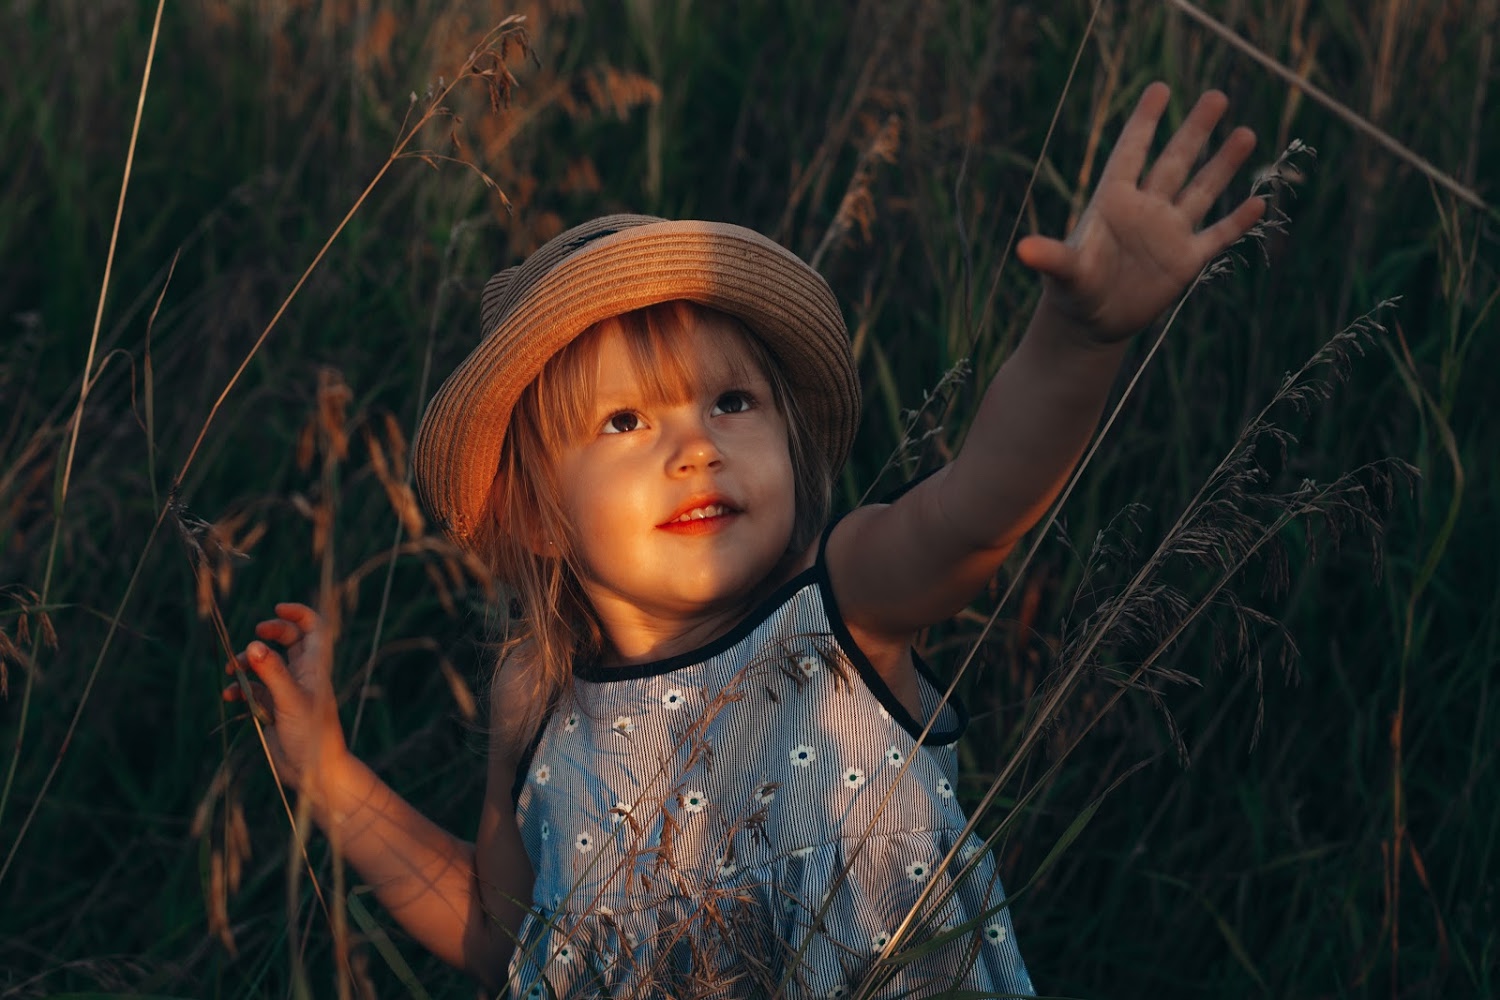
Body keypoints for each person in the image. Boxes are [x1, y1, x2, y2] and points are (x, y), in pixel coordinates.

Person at [227, 82, 1265, 998]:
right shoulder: (536, 704)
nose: (694, 449)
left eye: (730, 403)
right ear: (540, 512)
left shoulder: (844, 605)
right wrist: (329, 773)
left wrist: (1076, 341)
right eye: (626, 422)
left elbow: (977, 507)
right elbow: (508, 943)